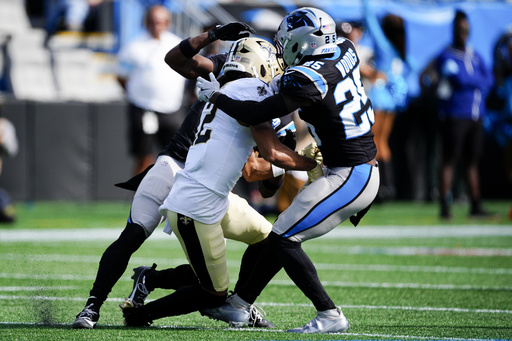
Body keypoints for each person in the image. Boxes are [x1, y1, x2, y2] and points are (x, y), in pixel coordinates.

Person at [196, 7, 380, 334]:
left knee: (284, 237)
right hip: (350, 167)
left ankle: (329, 313)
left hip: (351, 174)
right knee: (278, 233)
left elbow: (255, 112)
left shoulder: (307, 78)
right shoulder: (346, 49)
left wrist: (217, 97)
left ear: (301, 41)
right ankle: (238, 305)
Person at [72, 21, 264, 329]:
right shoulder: (225, 68)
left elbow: (258, 172)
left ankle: (226, 301)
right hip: (179, 165)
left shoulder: (274, 92)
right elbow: (175, 59)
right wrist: (211, 35)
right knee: (134, 234)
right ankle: (92, 306)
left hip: (209, 182)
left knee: (263, 242)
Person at [120, 36, 322, 327]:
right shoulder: (252, 91)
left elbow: (257, 170)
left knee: (273, 239)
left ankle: (239, 304)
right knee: (213, 292)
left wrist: (286, 162)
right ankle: (139, 315)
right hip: (195, 207)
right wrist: (312, 163)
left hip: (213, 196)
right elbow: (270, 156)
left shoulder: (231, 91)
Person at [435, 10, 493, 219]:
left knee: (472, 160)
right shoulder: (446, 56)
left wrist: (473, 81)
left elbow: (489, 80)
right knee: (450, 159)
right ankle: (444, 206)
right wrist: (475, 81)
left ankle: (476, 205)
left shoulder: (474, 55)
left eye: (465, 30)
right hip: (456, 113)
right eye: (459, 29)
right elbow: (459, 80)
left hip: (476, 114)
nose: (462, 33)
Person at [116, 5, 187, 175]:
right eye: (153, 22)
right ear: (146, 22)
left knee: (177, 158)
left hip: (171, 109)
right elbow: (121, 76)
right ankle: (139, 198)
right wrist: (139, 94)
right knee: (143, 157)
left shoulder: (177, 44)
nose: (157, 26)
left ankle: (173, 200)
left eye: (161, 22)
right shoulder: (134, 46)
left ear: (167, 23)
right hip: (143, 108)